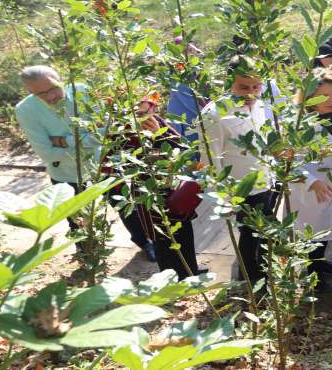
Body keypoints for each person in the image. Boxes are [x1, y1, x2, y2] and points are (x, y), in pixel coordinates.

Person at [14, 66, 157, 260]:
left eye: (53, 88)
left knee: (124, 205)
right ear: (30, 92)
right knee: (76, 218)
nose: (50, 97)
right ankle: (87, 254)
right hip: (64, 171)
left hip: (103, 161)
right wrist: (85, 136)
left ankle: (145, 242)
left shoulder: (82, 91)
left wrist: (63, 140)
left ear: (61, 79)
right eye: (41, 93)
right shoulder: (25, 110)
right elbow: (47, 154)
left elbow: (105, 133)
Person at [105, 95, 202, 279]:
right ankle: (172, 279)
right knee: (163, 241)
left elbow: (181, 147)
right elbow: (116, 166)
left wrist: (160, 134)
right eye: (138, 113)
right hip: (149, 196)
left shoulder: (157, 123)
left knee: (184, 233)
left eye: (148, 111)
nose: (145, 117)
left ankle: (191, 272)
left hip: (174, 190)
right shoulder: (121, 134)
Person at [198, 55, 275, 284]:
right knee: (251, 238)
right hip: (240, 189)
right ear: (229, 82)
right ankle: (253, 284)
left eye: (256, 86)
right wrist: (224, 198)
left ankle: (257, 278)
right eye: (243, 87)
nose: (251, 93)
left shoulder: (260, 104)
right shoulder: (214, 114)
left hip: (266, 182)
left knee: (261, 237)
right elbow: (210, 161)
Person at [290, 70, 332, 291]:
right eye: (324, 95)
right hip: (309, 187)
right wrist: (312, 182)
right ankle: (311, 275)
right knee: (312, 231)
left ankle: (320, 264)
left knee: (329, 227)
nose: (331, 100)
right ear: (309, 96)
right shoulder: (296, 120)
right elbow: (286, 160)